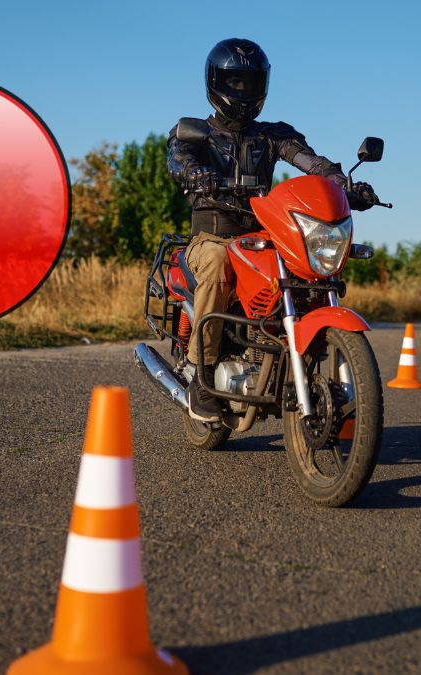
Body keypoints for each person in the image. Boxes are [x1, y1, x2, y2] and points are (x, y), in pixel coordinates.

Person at [167, 37, 378, 422]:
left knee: (306, 269)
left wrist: (342, 184)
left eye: (250, 82)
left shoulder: (273, 135)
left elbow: (311, 162)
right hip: (213, 236)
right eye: (235, 82)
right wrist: (196, 174)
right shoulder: (195, 132)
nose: (242, 90)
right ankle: (202, 374)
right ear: (217, 83)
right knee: (216, 263)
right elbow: (178, 160)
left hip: (264, 237)